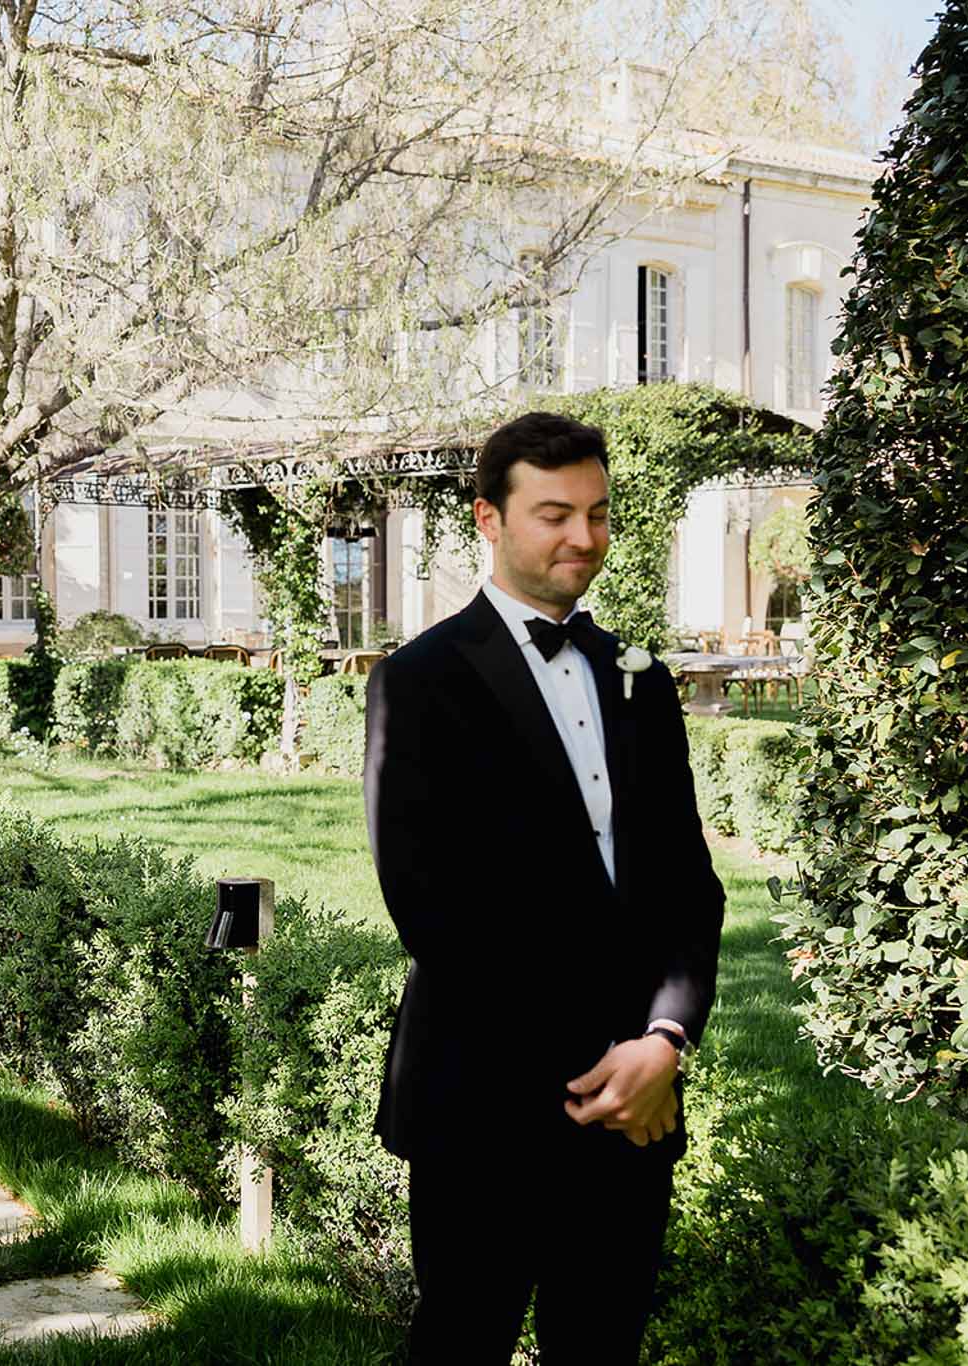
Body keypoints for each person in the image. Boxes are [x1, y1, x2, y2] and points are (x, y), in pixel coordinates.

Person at [363, 412, 724, 1363]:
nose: (584, 539)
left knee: (602, 1346)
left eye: (599, 514)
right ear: (489, 518)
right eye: (555, 514)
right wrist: (599, 1059)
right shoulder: (419, 680)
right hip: (486, 1096)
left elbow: (690, 883)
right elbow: (431, 909)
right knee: (459, 1342)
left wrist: (663, 1041)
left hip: (637, 1102)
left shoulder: (638, 677)